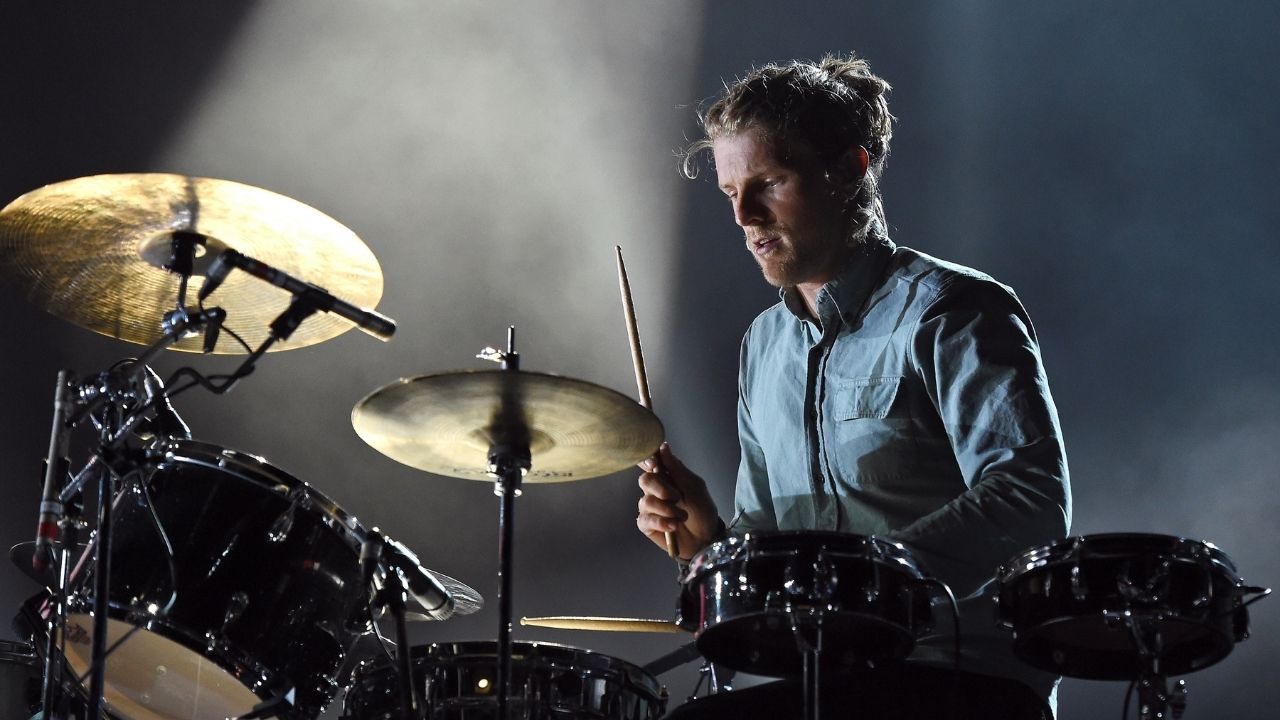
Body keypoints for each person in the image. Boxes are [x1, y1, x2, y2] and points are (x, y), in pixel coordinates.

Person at [636, 54, 1071, 719]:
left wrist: (865, 584)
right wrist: (710, 543)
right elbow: (774, 544)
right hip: (829, 679)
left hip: (961, 677)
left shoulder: (951, 309)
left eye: (768, 183)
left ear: (848, 169)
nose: (745, 216)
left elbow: (1029, 499)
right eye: (730, 193)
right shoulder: (764, 346)